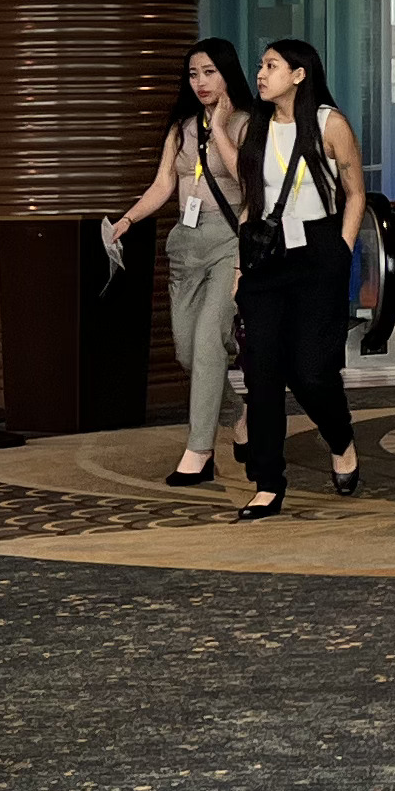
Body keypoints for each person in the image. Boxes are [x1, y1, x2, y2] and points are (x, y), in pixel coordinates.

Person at [99, 35, 252, 488]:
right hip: (185, 244)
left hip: (230, 243)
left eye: (209, 72)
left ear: (228, 73)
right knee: (189, 351)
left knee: (209, 342)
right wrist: (128, 219)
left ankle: (198, 450)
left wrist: (220, 127)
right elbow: (164, 184)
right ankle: (241, 413)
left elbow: (250, 181)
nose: (201, 82)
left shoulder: (247, 123)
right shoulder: (182, 126)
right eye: (193, 74)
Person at [233, 36, 370, 518]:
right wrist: (238, 265)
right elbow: (252, 199)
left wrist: (341, 250)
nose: (261, 74)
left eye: (271, 66)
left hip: (318, 251)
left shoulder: (329, 123)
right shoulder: (254, 126)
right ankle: (268, 482)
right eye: (260, 65)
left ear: (299, 74)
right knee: (262, 373)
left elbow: (355, 193)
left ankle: (340, 436)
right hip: (265, 256)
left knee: (312, 370)